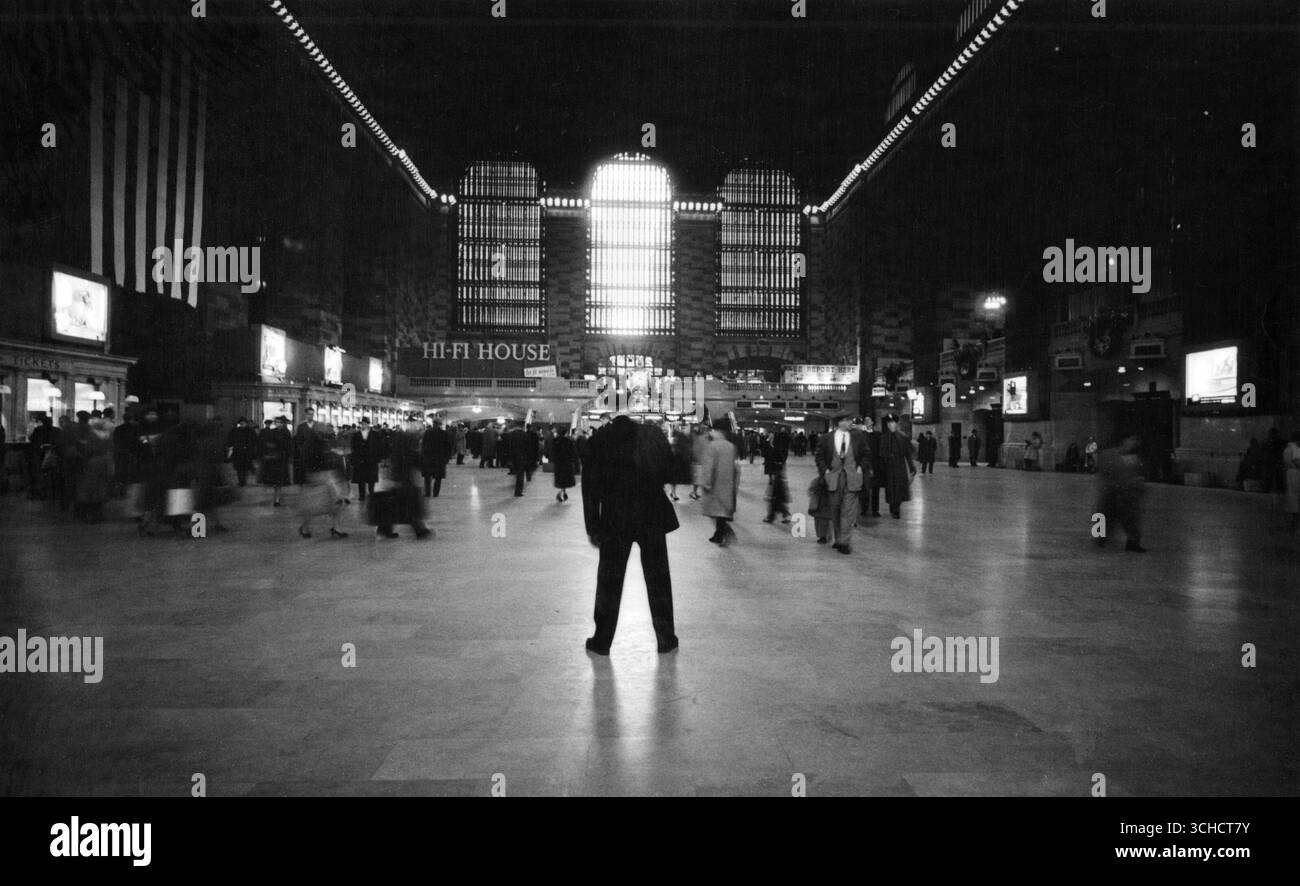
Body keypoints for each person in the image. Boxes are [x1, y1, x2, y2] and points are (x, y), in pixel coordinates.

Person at [581, 413, 680, 655]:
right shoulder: (652, 435)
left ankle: (602, 641)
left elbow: (590, 487)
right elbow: (670, 470)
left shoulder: (600, 439)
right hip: (651, 513)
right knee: (658, 578)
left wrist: (593, 525)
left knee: (609, 581)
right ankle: (666, 638)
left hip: (616, 516)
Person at [815, 412, 871, 554]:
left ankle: (844, 542)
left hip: (852, 478)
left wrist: (860, 467)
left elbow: (866, 454)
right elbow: (819, 456)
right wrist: (825, 470)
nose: (850, 422)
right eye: (846, 420)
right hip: (833, 478)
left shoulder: (858, 436)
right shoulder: (826, 438)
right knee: (835, 510)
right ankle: (838, 538)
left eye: (850, 420)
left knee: (848, 511)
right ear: (839, 423)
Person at [372, 419, 431, 540]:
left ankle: (385, 530)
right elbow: (417, 461)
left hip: (395, 478)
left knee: (395, 506)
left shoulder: (397, 444)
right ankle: (419, 530)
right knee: (408, 506)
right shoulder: (408, 448)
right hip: (404, 479)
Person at [1095, 434, 1147, 552]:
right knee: (1106, 516)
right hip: (1113, 492)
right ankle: (1099, 539)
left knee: (1131, 519)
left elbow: (1136, 474)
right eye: (1132, 440)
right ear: (1124, 440)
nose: (1134, 443)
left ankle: (1132, 543)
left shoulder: (1133, 457)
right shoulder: (1108, 455)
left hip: (1127, 493)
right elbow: (1104, 473)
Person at [700, 420, 740, 545]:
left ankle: (721, 534)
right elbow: (736, 467)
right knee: (722, 511)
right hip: (728, 483)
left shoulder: (712, 446)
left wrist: (706, 483)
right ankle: (719, 534)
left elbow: (708, 467)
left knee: (717, 510)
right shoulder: (731, 446)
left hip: (715, 483)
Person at [873, 414, 917, 519]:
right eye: (889, 423)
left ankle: (896, 508)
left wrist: (912, 467)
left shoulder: (903, 437)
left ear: (896, 424)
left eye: (893, 422)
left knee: (900, 488)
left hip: (899, 466)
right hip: (888, 467)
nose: (891, 425)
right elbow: (880, 455)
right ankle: (893, 506)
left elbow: (908, 454)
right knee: (890, 489)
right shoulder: (883, 438)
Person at [260, 415, 293, 506]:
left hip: (281, 459)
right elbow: (267, 444)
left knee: (279, 480)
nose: (278, 424)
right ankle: (277, 497)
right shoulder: (272, 432)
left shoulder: (286, 432)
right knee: (276, 480)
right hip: (274, 459)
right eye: (277, 422)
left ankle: (277, 498)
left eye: (280, 422)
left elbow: (289, 446)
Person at [763, 425, 792, 523]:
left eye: (772, 435)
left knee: (776, 496)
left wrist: (779, 467)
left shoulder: (778, 446)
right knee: (777, 496)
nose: (771, 437)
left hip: (778, 473)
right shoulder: (770, 444)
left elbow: (781, 458)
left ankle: (774, 516)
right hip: (775, 472)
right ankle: (780, 515)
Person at [351, 417, 383, 501]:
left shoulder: (375, 434)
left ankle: (371, 493)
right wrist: (354, 459)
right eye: (362, 424)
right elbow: (353, 447)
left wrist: (377, 458)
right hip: (360, 461)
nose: (363, 425)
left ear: (368, 424)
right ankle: (362, 495)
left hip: (371, 460)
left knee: (371, 479)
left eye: (365, 424)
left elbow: (378, 447)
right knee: (361, 479)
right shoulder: (356, 435)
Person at [420, 418, 451, 498]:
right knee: (438, 477)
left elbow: (423, 445)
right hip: (440, 458)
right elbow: (447, 447)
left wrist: (423, 456)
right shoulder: (444, 433)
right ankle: (436, 493)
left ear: (433, 424)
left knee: (427, 476)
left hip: (428, 457)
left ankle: (427, 492)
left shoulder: (427, 432)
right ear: (440, 424)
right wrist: (447, 458)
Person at [226, 416, 259, 487]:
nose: (242, 424)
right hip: (240, 452)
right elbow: (230, 441)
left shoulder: (247, 431)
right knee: (240, 468)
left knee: (243, 468)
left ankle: (242, 481)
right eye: (241, 423)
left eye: (243, 423)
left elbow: (254, 442)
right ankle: (241, 481)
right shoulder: (238, 431)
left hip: (244, 452)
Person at [504, 421, 530, 496]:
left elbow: (508, 446)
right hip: (521, 456)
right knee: (520, 474)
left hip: (513, 457)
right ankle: (518, 492)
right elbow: (527, 447)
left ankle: (516, 489)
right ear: (522, 426)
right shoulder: (524, 434)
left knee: (516, 473)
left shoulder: (511, 434)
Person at [552, 426, 577, 502]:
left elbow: (552, 452)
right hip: (567, 464)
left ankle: (562, 492)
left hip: (558, 464)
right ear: (566, 433)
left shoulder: (555, 441)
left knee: (561, 480)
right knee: (565, 480)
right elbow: (573, 453)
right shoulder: (569, 441)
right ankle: (562, 492)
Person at [668, 427, 693, 502]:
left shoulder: (673, 442)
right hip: (675, 462)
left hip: (674, 462)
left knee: (674, 479)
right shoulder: (677, 443)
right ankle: (673, 493)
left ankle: (673, 493)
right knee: (674, 479)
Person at [1283, 431, 1300, 534]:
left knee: (1292, 497)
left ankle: (1293, 524)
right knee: (1297, 498)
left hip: (1289, 473)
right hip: (1297, 474)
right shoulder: (1296, 448)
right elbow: (1298, 462)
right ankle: (1296, 525)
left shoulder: (1287, 449)